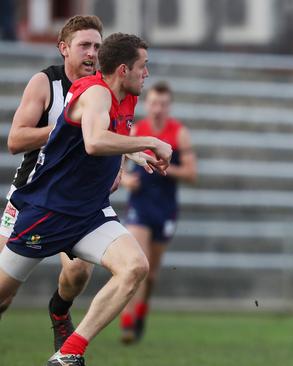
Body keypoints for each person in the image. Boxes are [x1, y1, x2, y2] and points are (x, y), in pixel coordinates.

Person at [0, 32, 172, 366]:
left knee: (134, 267)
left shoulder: (126, 95)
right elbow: (94, 141)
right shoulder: (95, 93)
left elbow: (112, 136)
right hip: (46, 212)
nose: (147, 74)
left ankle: (69, 352)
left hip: (89, 214)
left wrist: (136, 155)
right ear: (123, 70)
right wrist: (149, 140)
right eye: (143, 66)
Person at [0, 15, 103, 352]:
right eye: (84, 45)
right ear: (63, 48)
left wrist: (121, 167)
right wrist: (67, 127)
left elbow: (114, 135)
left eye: (98, 47)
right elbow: (15, 140)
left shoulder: (102, 88)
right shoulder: (45, 83)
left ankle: (59, 312)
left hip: (76, 199)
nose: (92, 53)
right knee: (3, 292)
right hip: (31, 194)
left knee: (78, 274)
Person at [119, 81, 197, 344]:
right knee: (137, 264)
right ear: (147, 104)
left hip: (165, 209)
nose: (157, 108)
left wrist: (164, 167)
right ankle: (128, 322)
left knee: (151, 274)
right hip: (140, 205)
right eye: (153, 103)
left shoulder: (179, 133)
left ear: (169, 106)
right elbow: (118, 160)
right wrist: (125, 180)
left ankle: (141, 310)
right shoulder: (137, 130)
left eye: (163, 104)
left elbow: (191, 173)